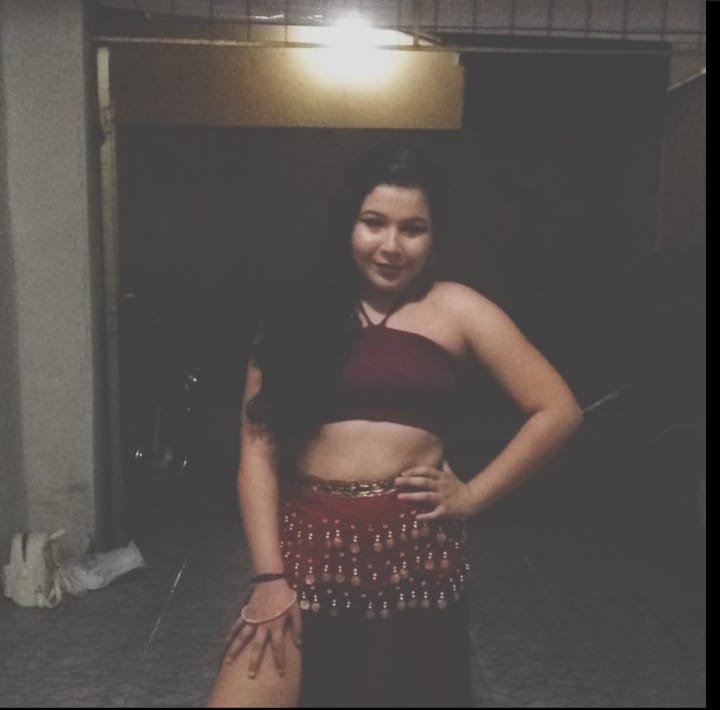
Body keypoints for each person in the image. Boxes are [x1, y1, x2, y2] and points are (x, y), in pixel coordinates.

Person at [207, 144, 583, 708]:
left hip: (416, 566)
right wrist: (267, 578)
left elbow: (557, 410)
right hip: (308, 556)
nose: (391, 245)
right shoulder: (294, 315)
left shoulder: (457, 308)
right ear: (347, 224)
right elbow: (257, 454)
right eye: (374, 223)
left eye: (413, 229)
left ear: (434, 237)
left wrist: (474, 495)